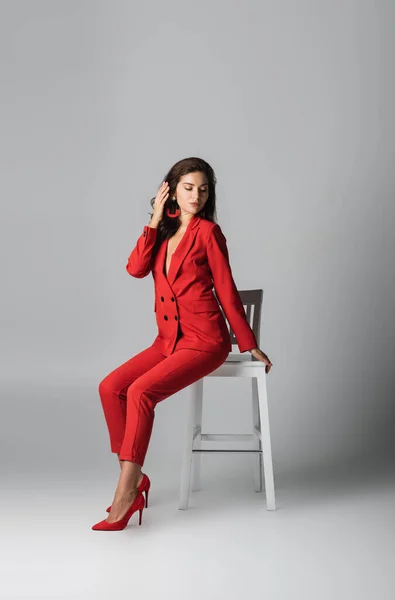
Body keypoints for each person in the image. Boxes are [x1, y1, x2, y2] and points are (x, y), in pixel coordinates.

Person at [92, 157, 273, 531]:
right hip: (168, 340)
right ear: (171, 190)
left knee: (141, 391)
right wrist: (154, 219)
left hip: (205, 340)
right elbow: (135, 269)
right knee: (111, 388)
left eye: (203, 189)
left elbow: (226, 289)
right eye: (189, 188)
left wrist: (248, 342)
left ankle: (125, 493)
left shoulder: (209, 233)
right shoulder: (162, 233)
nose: (197, 196)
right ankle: (135, 477)